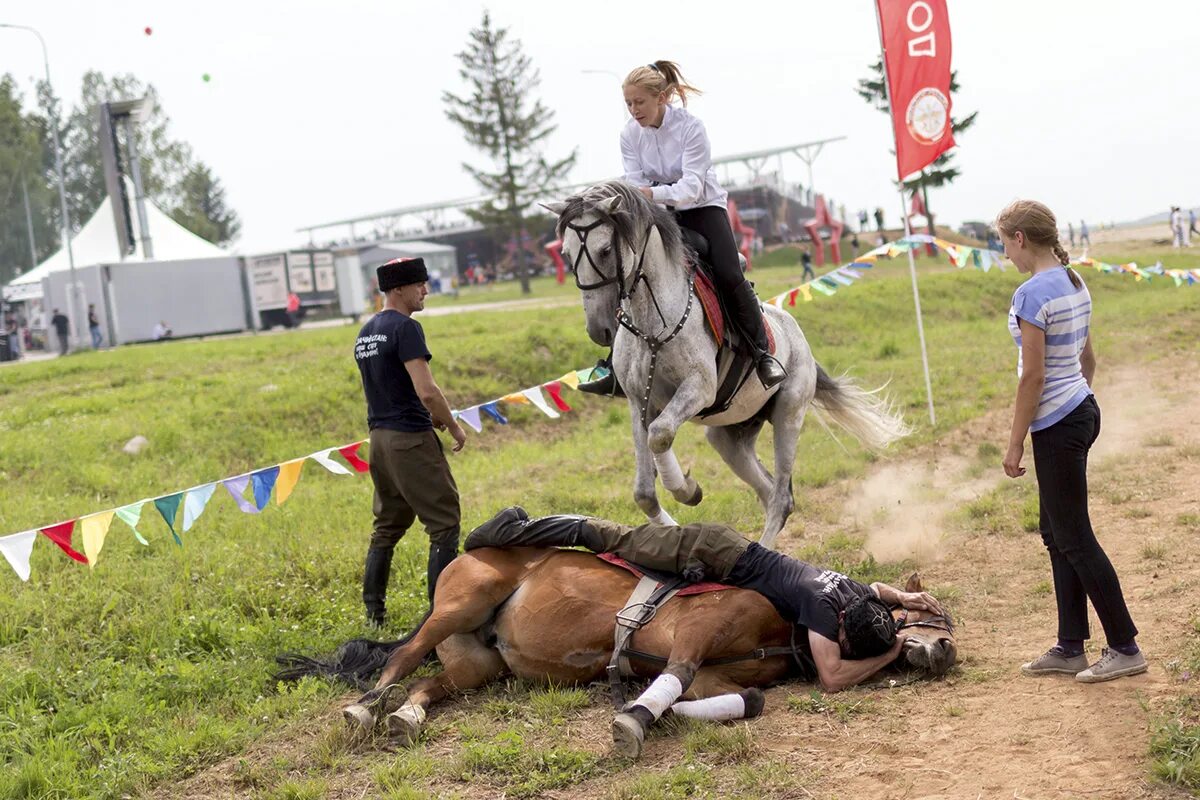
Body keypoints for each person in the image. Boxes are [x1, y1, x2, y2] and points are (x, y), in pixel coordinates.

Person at [465, 508, 944, 693]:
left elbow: (878, 592)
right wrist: (890, 651)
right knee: (608, 536)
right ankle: (514, 528)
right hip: (710, 549)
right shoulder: (824, 613)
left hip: (725, 552)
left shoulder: (849, 593)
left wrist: (902, 595)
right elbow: (833, 679)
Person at [996, 199, 1146, 683]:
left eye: (1004, 242)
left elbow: (1032, 377)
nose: (1005, 254)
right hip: (1080, 410)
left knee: (1075, 538)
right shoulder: (1073, 281)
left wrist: (1015, 442)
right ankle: (1069, 646)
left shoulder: (1030, 294)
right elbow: (1089, 358)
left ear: (1020, 238)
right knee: (1057, 534)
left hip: (1057, 424)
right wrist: (1079, 399)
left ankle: (1125, 647)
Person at [580, 60, 787, 396]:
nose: (633, 110)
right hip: (659, 213)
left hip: (702, 210)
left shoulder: (692, 128)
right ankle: (615, 368)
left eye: (640, 102)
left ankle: (762, 353)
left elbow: (690, 188)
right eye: (628, 104)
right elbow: (634, 182)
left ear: (662, 97)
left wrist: (649, 193)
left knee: (729, 274)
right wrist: (645, 197)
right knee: (627, 272)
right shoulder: (628, 135)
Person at [353, 257, 467, 627]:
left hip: (379, 441)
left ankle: (374, 613)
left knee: (387, 524)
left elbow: (390, 386)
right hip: (409, 441)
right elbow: (427, 390)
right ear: (398, 289)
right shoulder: (406, 328)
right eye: (420, 284)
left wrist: (427, 411)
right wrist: (452, 425)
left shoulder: (367, 332)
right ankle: (442, 616)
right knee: (444, 523)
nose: (426, 291)